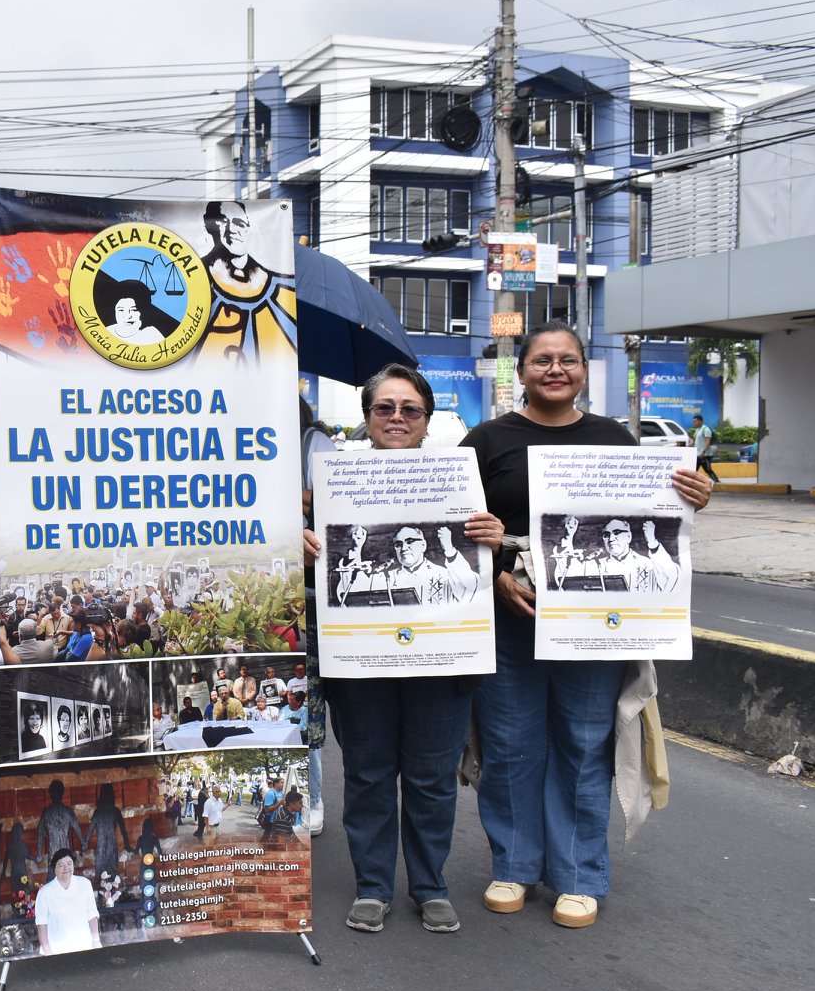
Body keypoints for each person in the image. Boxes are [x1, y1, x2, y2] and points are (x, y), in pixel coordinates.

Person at [460, 322, 711, 930]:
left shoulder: (614, 440)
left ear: (582, 372)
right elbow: (454, 522)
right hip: (511, 615)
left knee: (583, 739)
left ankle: (577, 874)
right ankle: (514, 866)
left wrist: (696, 494)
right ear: (519, 371)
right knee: (511, 744)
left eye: (567, 360)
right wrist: (495, 575)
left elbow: (654, 509)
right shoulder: (486, 440)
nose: (554, 369)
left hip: (595, 621)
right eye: (541, 360)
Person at [304, 363, 503, 934]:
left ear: (427, 417)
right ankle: (372, 884)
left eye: (409, 408)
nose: (396, 418)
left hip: (444, 655)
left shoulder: (462, 482)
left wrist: (494, 538)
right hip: (360, 654)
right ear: (367, 418)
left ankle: (429, 884)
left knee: (432, 775)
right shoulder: (334, 484)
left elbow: (478, 572)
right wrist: (305, 543)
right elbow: (312, 567)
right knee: (367, 771)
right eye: (384, 408)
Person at [195, 200, 295, 370]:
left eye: (239, 223)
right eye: (223, 222)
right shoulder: (192, 281)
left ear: (249, 228)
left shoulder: (280, 288)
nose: (232, 230)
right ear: (209, 226)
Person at [334, 523, 479, 606]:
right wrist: (356, 548)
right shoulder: (386, 578)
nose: (403, 548)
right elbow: (350, 590)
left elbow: (470, 586)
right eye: (398, 544)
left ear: (423, 545)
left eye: (410, 541)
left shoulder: (444, 575)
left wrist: (449, 550)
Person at [33, 849, 100, 956]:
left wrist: (96, 941)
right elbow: (42, 926)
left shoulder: (84, 884)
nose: (66, 868)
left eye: (69, 864)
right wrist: (48, 953)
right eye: (61, 865)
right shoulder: (44, 892)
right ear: (54, 869)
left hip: (85, 946)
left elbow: (92, 915)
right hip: (58, 951)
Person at [86, 783, 131, 879]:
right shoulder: (115, 811)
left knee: (100, 877)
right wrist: (127, 844)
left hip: (101, 848)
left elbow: (90, 830)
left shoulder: (98, 811)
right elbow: (123, 831)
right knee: (113, 876)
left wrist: (85, 844)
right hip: (112, 847)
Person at [35, 778, 85, 860]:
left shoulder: (47, 812)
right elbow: (77, 827)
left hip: (54, 854)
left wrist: (40, 853)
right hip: (64, 853)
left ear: (50, 794)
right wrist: (83, 843)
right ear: (62, 793)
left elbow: (40, 832)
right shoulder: (67, 811)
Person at [691, 414, 719, 482]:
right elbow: (696, 442)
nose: (694, 423)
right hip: (698, 454)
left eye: (695, 421)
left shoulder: (706, 429)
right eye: (694, 421)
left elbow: (708, 441)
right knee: (694, 469)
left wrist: (703, 452)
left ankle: (717, 482)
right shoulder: (697, 430)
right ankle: (692, 483)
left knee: (708, 469)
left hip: (705, 455)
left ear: (700, 421)